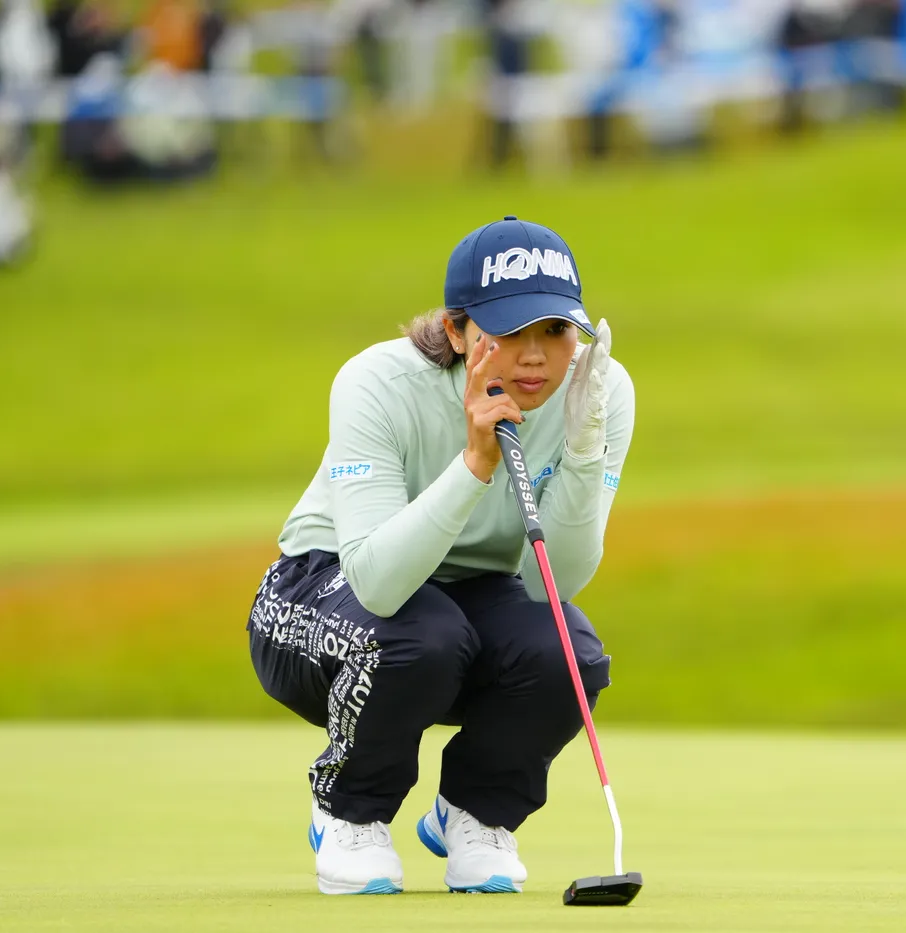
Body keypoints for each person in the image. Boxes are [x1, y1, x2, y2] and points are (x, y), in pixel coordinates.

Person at [246, 216, 635, 896]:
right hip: (319, 590)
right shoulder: (377, 381)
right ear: (457, 331)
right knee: (424, 634)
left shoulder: (596, 390)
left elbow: (555, 582)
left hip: (469, 597)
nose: (536, 357)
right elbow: (376, 581)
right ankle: (349, 813)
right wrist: (475, 463)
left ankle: (477, 811)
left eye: (555, 330)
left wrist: (583, 450)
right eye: (509, 331)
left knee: (567, 652)